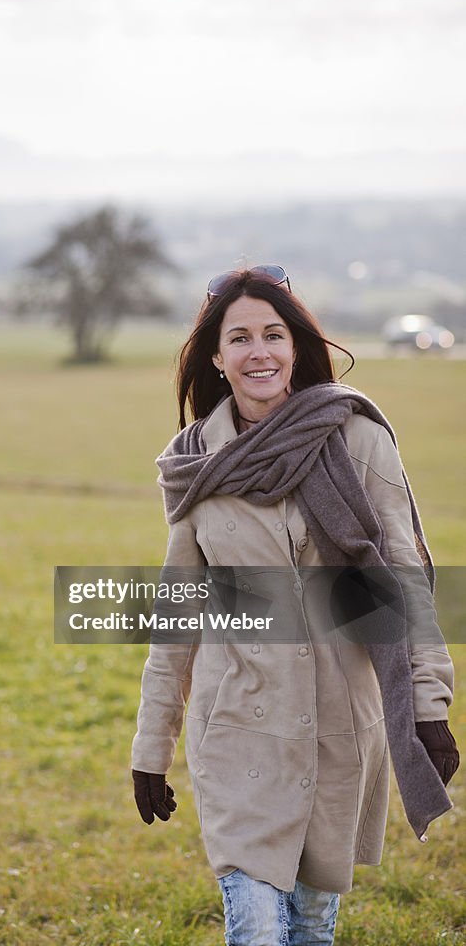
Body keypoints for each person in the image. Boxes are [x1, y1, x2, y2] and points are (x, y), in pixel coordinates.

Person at [131, 266, 459, 946]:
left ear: (295, 346)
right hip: (237, 736)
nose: (259, 351)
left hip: (337, 730)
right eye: (240, 337)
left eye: (273, 335)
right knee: (254, 928)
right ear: (216, 359)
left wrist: (427, 705)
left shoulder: (355, 438)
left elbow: (402, 576)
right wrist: (149, 748)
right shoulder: (197, 464)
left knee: (311, 926)